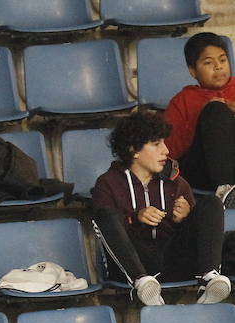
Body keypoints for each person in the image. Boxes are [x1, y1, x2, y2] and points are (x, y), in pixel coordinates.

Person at [91, 110, 232, 306]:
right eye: (157, 144)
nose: (166, 150)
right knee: (105, 214)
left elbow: (195, 228)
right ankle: (141, 283)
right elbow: (104, 226)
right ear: (134, 150)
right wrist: (135, 217)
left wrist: (184, 216)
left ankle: (208, 278)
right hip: (133, 263)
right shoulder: (108, 183)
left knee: (211, 203)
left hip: (172, 260)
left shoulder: (177, 182)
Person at [163, 32, 235, 197]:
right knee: (215, 111)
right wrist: (201, 118)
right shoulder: (182, 100)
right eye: (208, 62)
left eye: (223, 60)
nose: (218, 66)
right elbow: (168, 150)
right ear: (193, 71)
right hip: (202, 172)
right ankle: (227, 191)